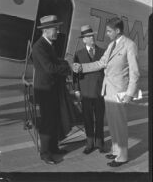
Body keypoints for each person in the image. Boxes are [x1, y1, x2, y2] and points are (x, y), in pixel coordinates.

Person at [73, 17, 140, 167]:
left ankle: (122, 157)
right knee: (112, 124)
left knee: (120, 125)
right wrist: (82, 67)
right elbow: (101, 63)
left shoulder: (129, 45)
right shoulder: (111, 45)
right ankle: (116, 151)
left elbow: (135, 72)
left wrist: (130, 93)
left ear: (117, 30)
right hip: (108, 91)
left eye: (109, 31)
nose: (107, 34)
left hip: (120, 92)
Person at [32, 15, 71, 164]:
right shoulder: (39, 46)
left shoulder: (48, 45)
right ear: (46, 30)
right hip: (45, 90)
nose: (58, 31)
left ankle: (54, 147)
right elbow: (49, 68)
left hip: (51, 88)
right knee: (47, 121)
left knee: (54, 119)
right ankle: (45, 153)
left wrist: (62, 64)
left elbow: (54, 63)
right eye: (56, 28)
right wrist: (65, 67)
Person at [73, 25, 106, 154]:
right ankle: (89, 144)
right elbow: (75, 75)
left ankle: (100, 143)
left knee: (99, 118)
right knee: (87, 118)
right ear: (84, 40)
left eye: (92, 35)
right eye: (88, 36)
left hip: (99, 91)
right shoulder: (78, 54)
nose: (91, 38)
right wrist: (76, 90)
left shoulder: (102, 52)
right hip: (85, 92)